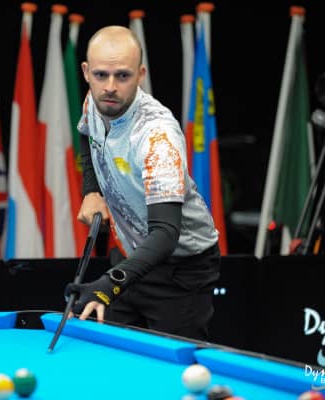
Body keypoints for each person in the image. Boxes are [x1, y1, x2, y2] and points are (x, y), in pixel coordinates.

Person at [65, 25, 221, 341]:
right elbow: (86, 134)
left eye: (122, 76)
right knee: (113, 354)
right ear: (86, 72)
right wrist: (91, 190)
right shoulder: (95, 101)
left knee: (174, 368)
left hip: (180, 270)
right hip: (131, 257)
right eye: (101, 75)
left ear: (140, 74)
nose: (110, 87)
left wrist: (108, 285)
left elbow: (165, 234)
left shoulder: (157, 136)